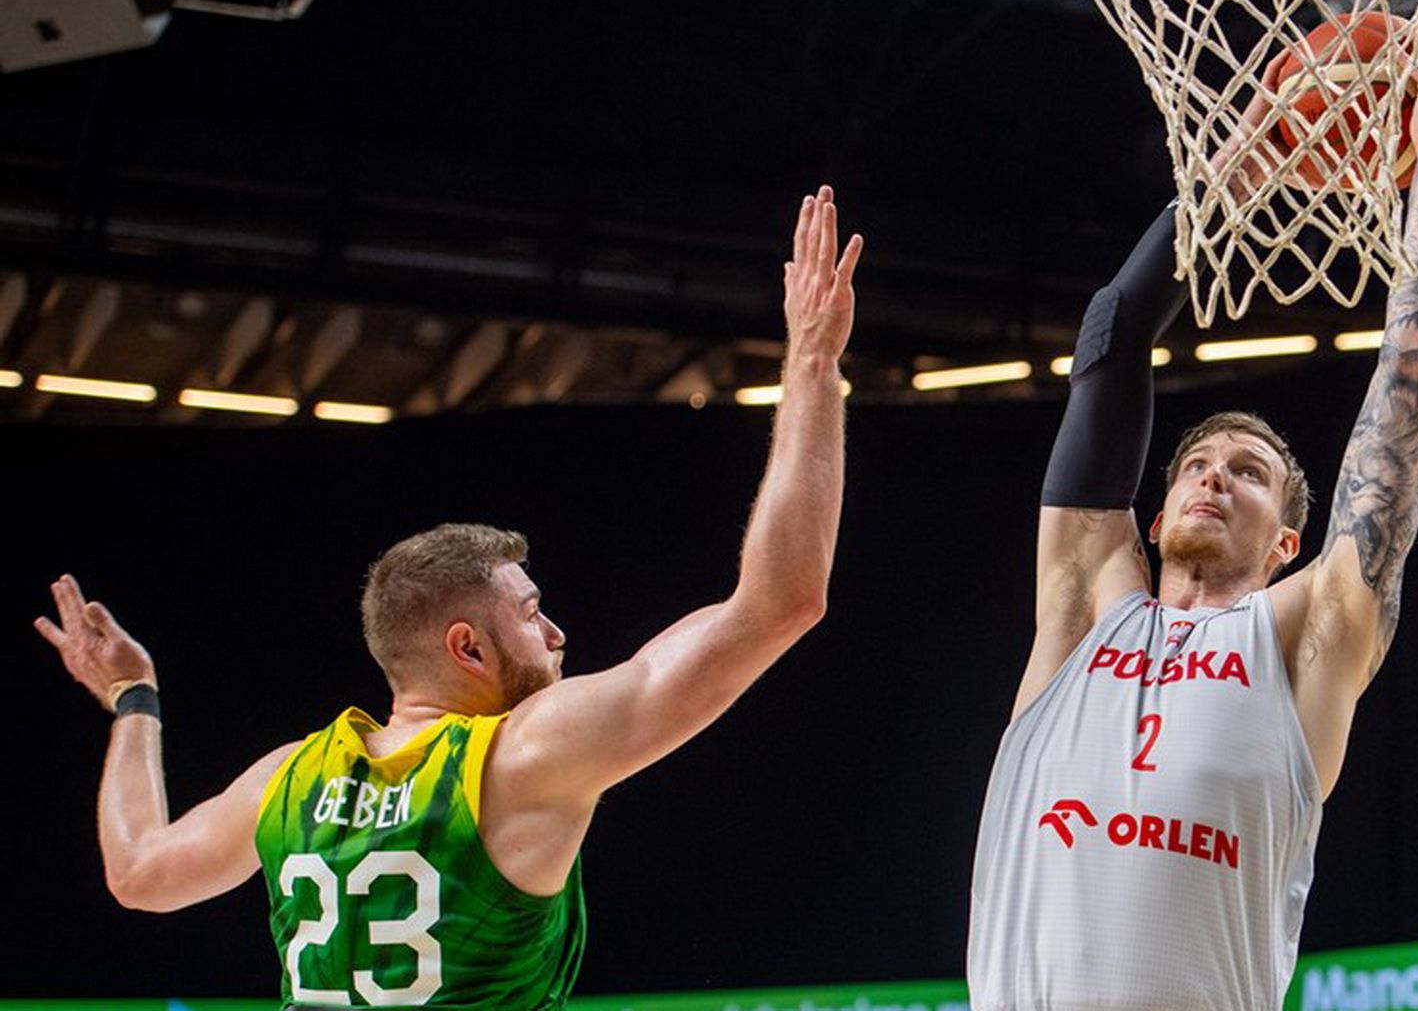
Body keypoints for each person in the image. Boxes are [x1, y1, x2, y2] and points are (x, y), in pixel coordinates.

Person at [35, 185, 862, 1008]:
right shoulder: (521, 756)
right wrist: (812, 364)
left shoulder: (287, 780)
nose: (558, 633)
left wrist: (133, 697)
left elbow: (138, 871)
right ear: (466, 645)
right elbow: (782, 601)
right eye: (531, 614)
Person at [967, 37, 1418, 1010]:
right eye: (1199, 465)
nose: (1216, 476)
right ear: (1157, 517)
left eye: (1250, 474)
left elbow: (1412, 367)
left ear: (1288, 544)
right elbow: (1113, 336)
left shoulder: (1304, 636)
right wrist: (1230, 175)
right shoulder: (1082, 611)